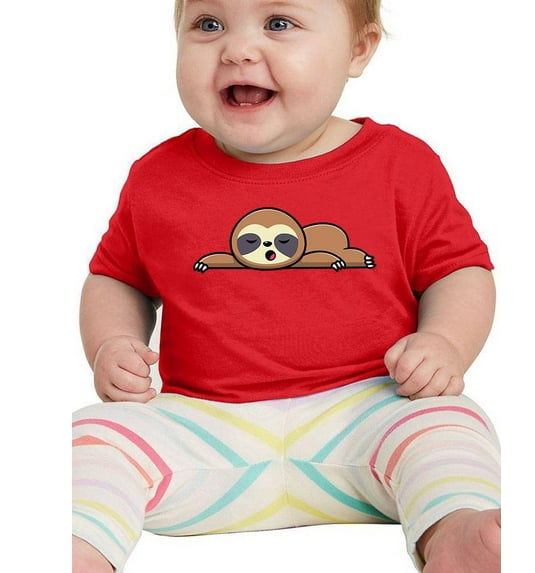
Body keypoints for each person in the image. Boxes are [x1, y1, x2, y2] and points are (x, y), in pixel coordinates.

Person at [72, 1, 501, 571]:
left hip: (371, 417)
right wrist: (110, 344)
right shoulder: (157, 176)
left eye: (279, 23)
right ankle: (78, 548)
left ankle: (456, 533)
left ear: (358, 50)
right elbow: (116, 279)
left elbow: (459, 270)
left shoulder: (401, 164)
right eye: (208, 24)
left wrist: (445, 341)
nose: (238, 49)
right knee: (95, 435)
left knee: (448, 426)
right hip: (203, 430)